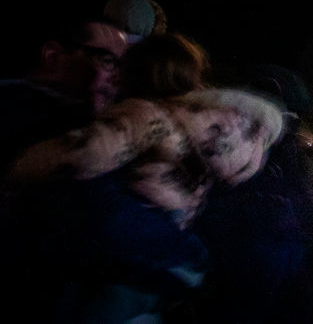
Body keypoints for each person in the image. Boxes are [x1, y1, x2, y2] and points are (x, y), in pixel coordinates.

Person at [7, 33, 284, 323]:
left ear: (140, 71)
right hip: (158, 273)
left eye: (119, 65)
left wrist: (15, 170)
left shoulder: (149, 117)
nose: (111, 74)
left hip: (109, 269)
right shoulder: (206, 144)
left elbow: (81, 155)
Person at [0, 18, 128, 171]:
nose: (118, 78)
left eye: (124, 68)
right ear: (53, 56)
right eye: (108, 61)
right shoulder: (15, 111)